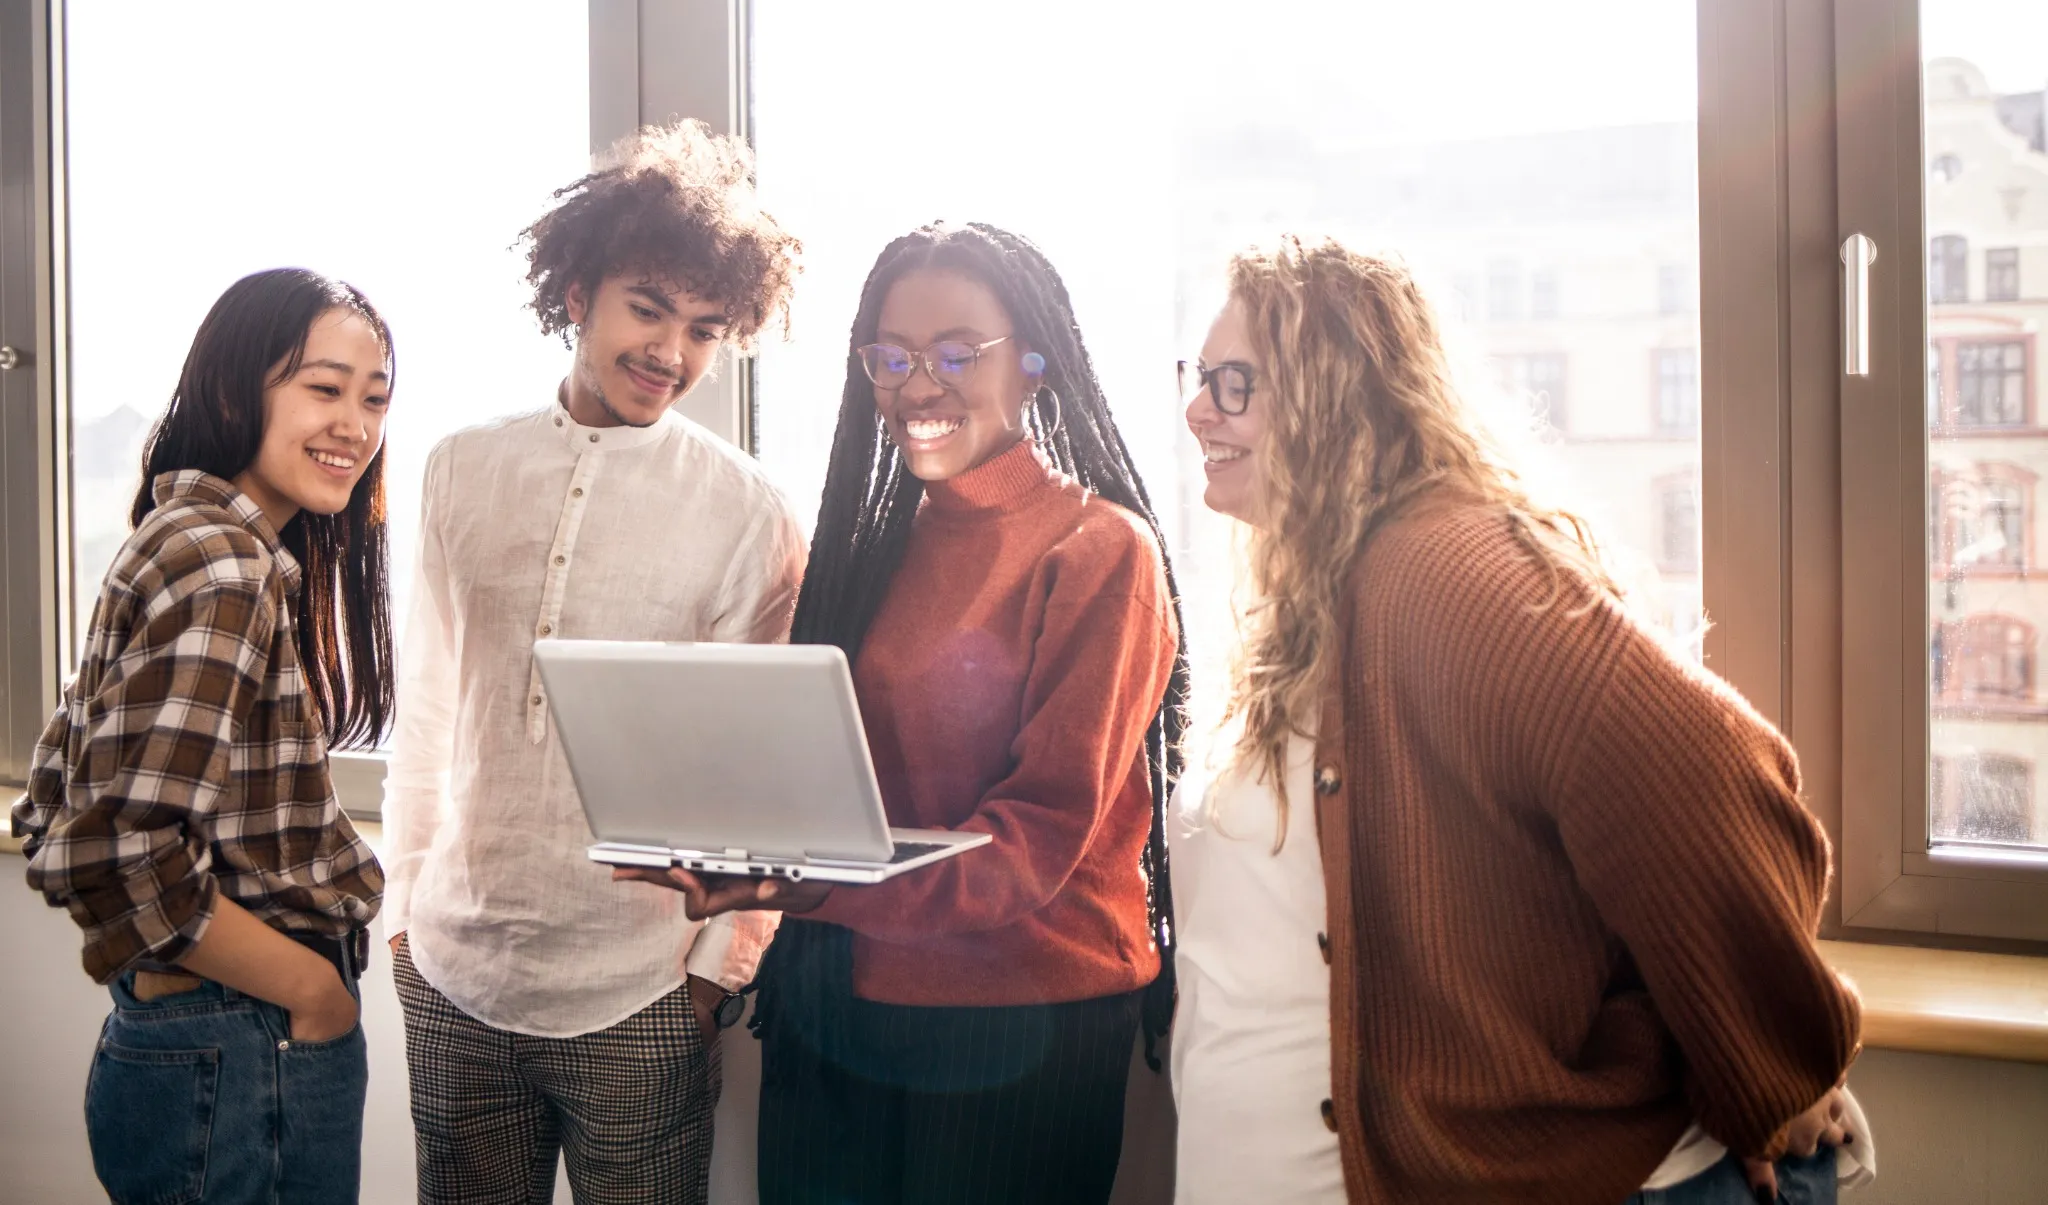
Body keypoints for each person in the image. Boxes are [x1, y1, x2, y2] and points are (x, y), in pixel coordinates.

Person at [1169, 235, 1865, 1205]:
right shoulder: (1314, 594)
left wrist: (1770, 1069)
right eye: (1197, 377)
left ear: (1343, 392)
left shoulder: (1442, 569)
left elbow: (1705, 775)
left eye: (1235, 381)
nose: (1198, 409)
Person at [627, 221, 1190, 1205]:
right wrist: (735, 847)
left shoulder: (1101, 551)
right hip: (836, 1002)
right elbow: (828, 785)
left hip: (1018, 1028)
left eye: (953, 354)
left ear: (1035, 362)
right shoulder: (871, 548)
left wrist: (805, 889)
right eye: (889, 357)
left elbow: (1026, 847)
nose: (915, 385)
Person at [379, 119, 806, 1205]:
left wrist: (710, 983)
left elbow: (755, 783)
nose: (671, 352)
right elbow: (430, 707)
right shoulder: (459, 468)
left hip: (639, 990)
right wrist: (402, 921)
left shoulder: (747, 515)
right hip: (455, 971)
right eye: (647, 309)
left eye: (705, 329)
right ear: (576, 292)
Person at [14, 269, 396, 1205]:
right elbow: (113, 847)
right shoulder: (224, 565)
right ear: (234, 390)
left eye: (374, 397)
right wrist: (314, 993)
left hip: (206, 1040)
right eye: (323, 386)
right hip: (244, 1036)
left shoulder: (179, 533)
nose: (354, 423)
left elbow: (54, 799)